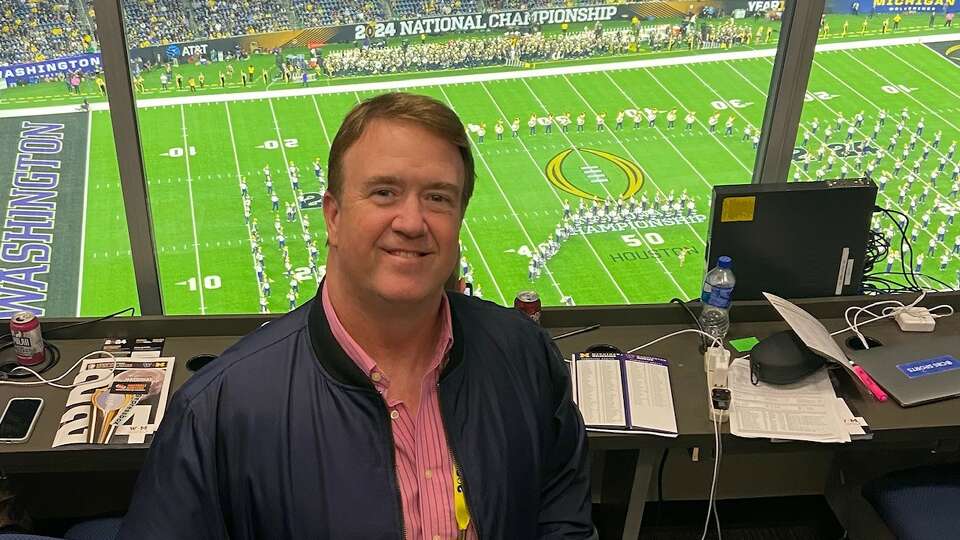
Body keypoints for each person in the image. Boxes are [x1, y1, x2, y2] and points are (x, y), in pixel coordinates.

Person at [118, 92, 593, 539]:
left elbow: (561, 510)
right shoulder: (218, 411)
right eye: (384, 193)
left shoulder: (524, 353)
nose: (411, 222)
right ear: (333, 217)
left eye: (438, 197)